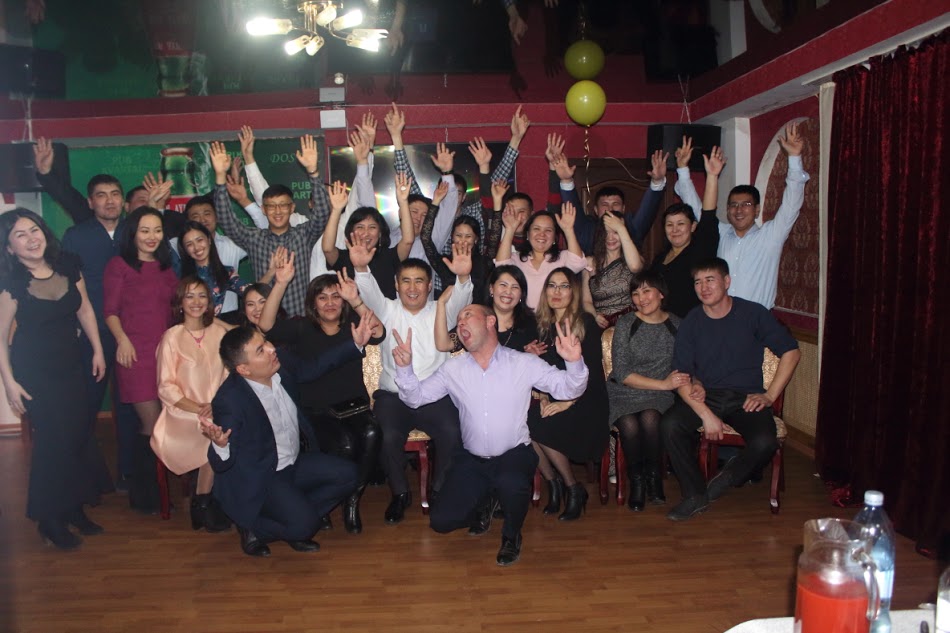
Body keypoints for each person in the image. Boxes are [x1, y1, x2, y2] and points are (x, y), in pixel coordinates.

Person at [393, 304, 589, 566]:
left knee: (511, 482)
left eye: (468, 316)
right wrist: (405, 369)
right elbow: (416, 398)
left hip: (513, 454)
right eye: (458, 320)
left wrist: (574, 362)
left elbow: (568, 389)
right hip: (472, 459)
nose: (461, 323)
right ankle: (486, 499)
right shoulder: (453, 369)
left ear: (490, 321)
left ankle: (511, 536)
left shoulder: (523, 363)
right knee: (441, 522)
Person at [201, 321, 371, 557]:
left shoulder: (280, 364)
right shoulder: (230, 401)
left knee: (349, 475)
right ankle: (254, 527)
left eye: (265, 342)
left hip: (293, 461)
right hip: (263, 475)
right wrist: (220, 444)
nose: (272, 349)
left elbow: (315, 366)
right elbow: (221, 463)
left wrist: (355, 343)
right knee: (305, 527)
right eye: (261, 350)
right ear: (244, 369)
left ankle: (293, 516)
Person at [660, 258, 801, 521]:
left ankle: (728, 477)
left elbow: (791, 352)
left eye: (710, 280)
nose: (703, 287)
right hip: (706, 396)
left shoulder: (753, 313)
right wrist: (706, 414)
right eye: (698, 282)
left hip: (745, 398)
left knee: (765, 442)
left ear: (726, 282)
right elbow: (681, 376)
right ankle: (694, 494)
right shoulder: (691, 321)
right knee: (670, 425)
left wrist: (770, 395)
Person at [0, 209, 108, 549]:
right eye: (20, 235)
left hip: (71, 364)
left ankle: (74, 507)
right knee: (53, 442)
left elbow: (85, 309)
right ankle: (49, 519)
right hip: (34, 371)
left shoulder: (68, 264)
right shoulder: (12, 282)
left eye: (34, 230)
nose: (31, 239)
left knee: (77, 435)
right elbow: (0, 336)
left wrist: (97, 350)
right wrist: (9, 382)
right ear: (9, 247)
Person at [349, 240, 473, 524]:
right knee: (387, 435)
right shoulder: (387, 309)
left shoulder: (441, 310)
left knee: (453, 431)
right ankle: (400, 493)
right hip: (393, 396)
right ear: (396, 285)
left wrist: (463, 277)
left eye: (419, 281)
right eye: (406, 281)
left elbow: (461, 298)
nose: (412, 287)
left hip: (435, 395)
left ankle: (439, 490)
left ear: (429, 286)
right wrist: (361, 268)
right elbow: (369, 292)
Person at [259, 259, 386, 535]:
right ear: (313, 303)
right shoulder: (301, 327)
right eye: (322, 297)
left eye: (335, 297)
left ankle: (352, 499)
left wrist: (355, 300)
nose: (330, 303)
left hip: (354, 407)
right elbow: (266, 326)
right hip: (317, 410)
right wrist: (280, 283)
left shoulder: (353, 324)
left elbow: (378, 332)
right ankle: (329, 500)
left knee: (372, 433)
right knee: (344, 445)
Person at [676, 123, 808, 309]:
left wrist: (794, 158)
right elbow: (698, 210)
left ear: (757, 210)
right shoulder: (721, 233)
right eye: (733, 205)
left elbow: (791, 205)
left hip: (756, 320)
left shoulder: (771, 236)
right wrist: (682, 169)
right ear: (727, 209)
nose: (739, 210)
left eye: (746, 205)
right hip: (720, 317)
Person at [103, 207, 180, 514]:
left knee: (164, 423)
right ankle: (147, 495)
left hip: (165, 354)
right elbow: (110, 311)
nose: (152, 236)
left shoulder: (166, 267)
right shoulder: (119, 265)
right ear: (133, 233)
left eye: (157, 230)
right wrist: (122, 340)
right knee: (151, 424)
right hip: (135, 355)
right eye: (145, 230)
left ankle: (153, 491)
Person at [210, 137, 330, 317]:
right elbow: (226, 220)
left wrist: (313, 172)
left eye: (283, 205)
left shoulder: (303, 234)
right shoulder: (254, 238)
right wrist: (220, 178)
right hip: (265, 321)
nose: (278, 211)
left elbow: (322, 213)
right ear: (263, 210)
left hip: (301, 320)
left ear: (292, 208)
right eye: (272, 206)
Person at [152, 277, 232, 532]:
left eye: (201, 296)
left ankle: (205, 502)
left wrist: (215, 404)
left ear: (209, 301)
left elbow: (230, 376)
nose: (196, 302)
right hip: (183, 414)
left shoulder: (219, 334)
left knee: (225, 426)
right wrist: (200, 408)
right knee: (214, 432)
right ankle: (204, 502)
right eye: (189, 296)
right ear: (180, 302)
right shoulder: (171, 337)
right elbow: (166, 387)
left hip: (217, 408)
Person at [528, 268, 608, 520]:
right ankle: (554, 484)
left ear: (573, 292)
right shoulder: (541, 325)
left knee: (542, 425)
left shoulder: (585, 324)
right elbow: (540, 372)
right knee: (523, 423)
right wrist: (542, 396)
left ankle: (573, 487)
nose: (557, 292)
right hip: (553, 395)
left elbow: (592, 374)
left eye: (564, 286)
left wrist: (567, 403)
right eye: (552, 285)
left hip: (586, 398)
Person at [607, 271, 687, 511]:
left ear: (661, 294)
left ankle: (654, 477)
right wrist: (664, 384)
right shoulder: (626, 323)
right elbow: (622, 373)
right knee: (629, 423)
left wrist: (673, 386)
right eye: (635, 293)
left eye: (646, 291)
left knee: (651, 418)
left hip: (659, 396)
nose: (641, 299)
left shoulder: (678, 325)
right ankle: (637, 481)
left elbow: (686, 364)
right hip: (623, 391)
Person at [547, 132, 668, 255]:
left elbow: (648, 210)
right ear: (595, 209)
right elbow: (572, 208)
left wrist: (657, 182)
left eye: (616, 204)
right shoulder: (587, 230)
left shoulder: (632, 228)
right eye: (604, 204)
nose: (610, 208)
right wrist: (566, 180)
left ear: (623, 208)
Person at [650, 138, 724, 318]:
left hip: (693, 324)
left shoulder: (700, 249)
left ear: (693, 227)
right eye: (669, 225)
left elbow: (708, 213)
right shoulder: (660, 258)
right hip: (664, 326)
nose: (674, 229)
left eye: (681, 224)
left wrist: (712, 176)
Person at [322, 172, 414, 300]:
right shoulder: (344, 257)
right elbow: (327, 249)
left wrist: (403, 202)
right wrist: (336, 210)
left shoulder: (389, 256)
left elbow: (408, 241)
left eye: (372, 227)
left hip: (383, 313)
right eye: (360, 227)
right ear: (351, 232)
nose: (366, 233)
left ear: (380, 233)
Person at [494, 203, 587, 311]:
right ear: (528, 234)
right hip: (524, 318)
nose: (542, 234)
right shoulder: (517, 259)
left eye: (548, 230)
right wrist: (510, 229)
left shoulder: (563, 258)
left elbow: (578, 263)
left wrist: (568, 230)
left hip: (555, 318)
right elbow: (501, 267)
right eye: (536, 229)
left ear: (555, 237)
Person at [177, 221, 251, 318]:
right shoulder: (177, 275)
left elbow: (252, 293)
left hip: (216, 326)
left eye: (199, 240)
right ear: (185, 250)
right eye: (189, 244)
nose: (196, 247)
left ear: (209, 240)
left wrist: (269, 272)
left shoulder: (225, 272)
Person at [583, 211, 644, 327]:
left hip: (631, 323)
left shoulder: (634, 258)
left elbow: (635, 267)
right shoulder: (590, 262)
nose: (610, 238)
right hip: (602, 325)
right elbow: (586, 301)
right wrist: (595, 316)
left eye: (616, 232)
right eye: (606, 232)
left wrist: (621, 228)